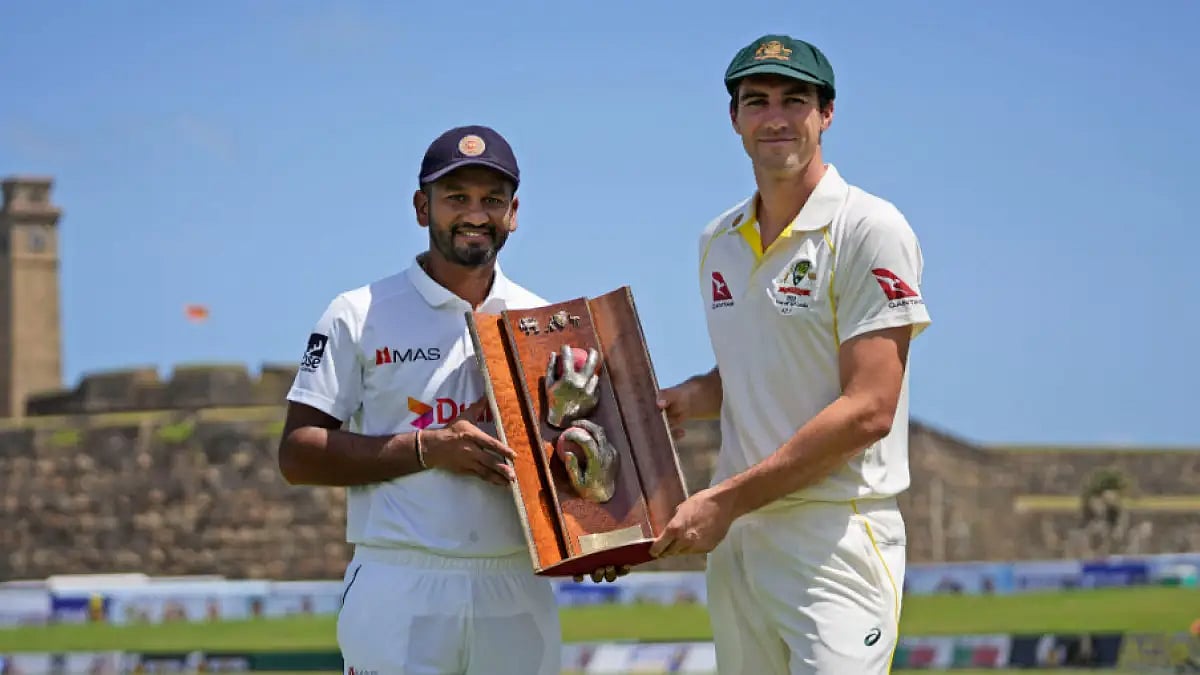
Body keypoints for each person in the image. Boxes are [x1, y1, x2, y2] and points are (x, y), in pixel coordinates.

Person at [277, 124, 620, 675]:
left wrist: (600, 535)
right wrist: (427, 449)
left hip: (515, 582)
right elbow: (297, 453)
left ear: (513, 214)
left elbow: (572, 452)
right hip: (399, 580)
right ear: (421, 207)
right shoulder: (358, 312)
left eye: (492, 200)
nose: (476, 214)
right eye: (456, 197)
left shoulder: (543, 322)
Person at [649, 34, 933, 674]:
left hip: (834, 537)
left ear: (826, 113)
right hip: (742, 541)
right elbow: (756, 361)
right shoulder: (716, 240)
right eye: (756, 101)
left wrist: (726, 499)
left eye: (794, 100)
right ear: (734, 119)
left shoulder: (869, 228)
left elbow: (869, 409)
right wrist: (685, 400)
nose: (774, 117)